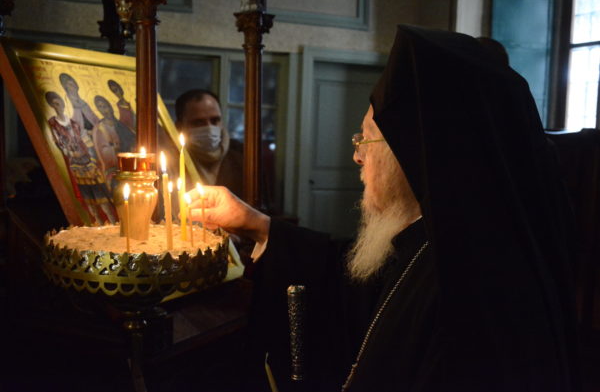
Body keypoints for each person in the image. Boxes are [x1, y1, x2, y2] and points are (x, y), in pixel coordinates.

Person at [188, 25, 579, 392]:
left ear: (412, 153)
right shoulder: (430, 241)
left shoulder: (477, 296)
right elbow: (357, 283)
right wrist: (256, 224)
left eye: (366, 139)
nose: (357, 156)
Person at [45, 91, 116, 224]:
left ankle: (112, 223)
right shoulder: (53, 124)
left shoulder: (74, 123)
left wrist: (92, 159)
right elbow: (60, 144)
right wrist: (72, 154)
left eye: (59, 102)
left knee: (102, 197)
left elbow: (86, 141)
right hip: (76, 166)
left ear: (63, 102)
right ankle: (96, 224)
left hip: (89, 163)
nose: (57, 106)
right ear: (51, 106)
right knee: (88, 199)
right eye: (54, 104)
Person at [175, 89, 243, 197]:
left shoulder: (243, 158)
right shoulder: (174, 161)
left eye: (215, 120)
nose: (209, 127)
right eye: (198, 122)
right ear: (179, 126)